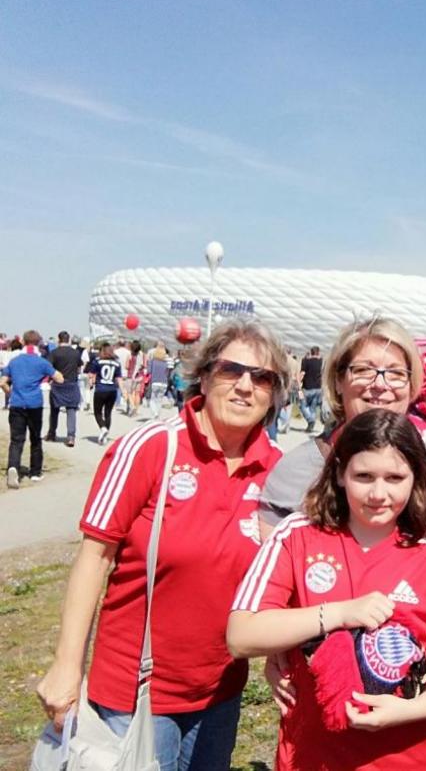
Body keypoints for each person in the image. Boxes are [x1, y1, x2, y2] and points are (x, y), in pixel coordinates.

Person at [256, 317, 426, 767]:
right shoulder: (301, 471)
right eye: (363, 370)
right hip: (334, 688)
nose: (379, 384)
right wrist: (276, 653)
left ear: (413, 384)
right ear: (338, 380)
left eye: (395, 373)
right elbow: (275, 585)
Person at [35, 318, 289, 771]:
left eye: (263, 377)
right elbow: (95, 558)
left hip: (221, 691)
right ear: (206, 375)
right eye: (232, 371)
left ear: (275, 393)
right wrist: (66, 666)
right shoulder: (153, 447)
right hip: (134, 692)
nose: (246, 387)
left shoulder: (278, 471)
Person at [228, 409, 426, 769]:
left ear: (416, 479)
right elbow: (242, 634)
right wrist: (337, 613)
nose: (378, 493)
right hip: (310, 757)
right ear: (339, 473)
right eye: (364, 476)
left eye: (395, 477)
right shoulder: (297, 536)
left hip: (407, 759)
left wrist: (408, 710)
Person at [3, 329, 64, 488]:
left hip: (17, 403)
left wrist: (10, 392)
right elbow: (59, 377)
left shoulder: (14, 362)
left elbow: (2, 382)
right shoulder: (41, 362)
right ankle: (35, 472)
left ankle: (13, 467)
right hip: (34, 404)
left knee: (16, 440)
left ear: (23, 342)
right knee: (35, 438)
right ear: (38, 343)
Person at [45, 330, 83, 447]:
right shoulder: (76, 353)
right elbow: (79, 368)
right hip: (71, 383)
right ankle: (71, 436)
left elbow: (49, 368)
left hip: (57, 384)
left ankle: (52, 433)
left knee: (54, 410)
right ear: (69, 340)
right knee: (71, 411)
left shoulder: (54, 353)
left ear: (59, 339)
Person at [87, 343, 123, 445]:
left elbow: (91, 374)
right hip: (112, 390)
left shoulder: (98, 361)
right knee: (108, 413)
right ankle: (105, 435)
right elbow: (119, 378)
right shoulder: (117, 363)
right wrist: (123, 391)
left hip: (101, 389)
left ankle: (103, 429)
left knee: (97, 412)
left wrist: (91, 383)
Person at [299, 345, 324, 433]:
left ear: (311, 352)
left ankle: (310, 420)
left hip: (307, 388)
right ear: (318, 352)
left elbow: (302, 373)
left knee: (302, 405)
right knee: (313, 408)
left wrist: (299, 383)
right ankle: (311, 423)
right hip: (318, 388)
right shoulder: (321, 362)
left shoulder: (306, 361)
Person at [146, 345, 171, 420]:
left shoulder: (152, 362)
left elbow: (149, 371)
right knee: (159, 400)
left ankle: (155, 413)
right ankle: (157, 415)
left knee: (152, 399)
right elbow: (167, 373)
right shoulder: (166, 363)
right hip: (164, 383)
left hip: (155, 382)